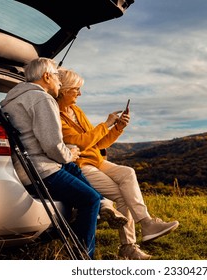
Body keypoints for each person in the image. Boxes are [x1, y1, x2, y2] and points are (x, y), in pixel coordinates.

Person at [0, 58, 126, 259]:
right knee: (89, 199)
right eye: (57, 77)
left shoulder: (12, 99)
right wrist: (70, 153)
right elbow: (52, 145)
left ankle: (104, 204)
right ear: (47, 76)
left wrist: (66, 154)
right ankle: (84, 258)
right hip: (40, 170)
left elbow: (36, 138)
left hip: (26, 166)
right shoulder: (42, 99)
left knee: (74, 169)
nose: (60, 82)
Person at [56, 67, 179, 260]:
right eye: (76, 89)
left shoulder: (76, 111)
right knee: (123, 195)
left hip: (96, 160)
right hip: (80, 165)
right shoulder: (56, 115)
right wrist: (105, 124)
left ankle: (146, 223)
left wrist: (118, 127)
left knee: (128, 172)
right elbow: (82, 141)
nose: (80, 94)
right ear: (64, 90)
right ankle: (129, 246)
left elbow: (98, 142)